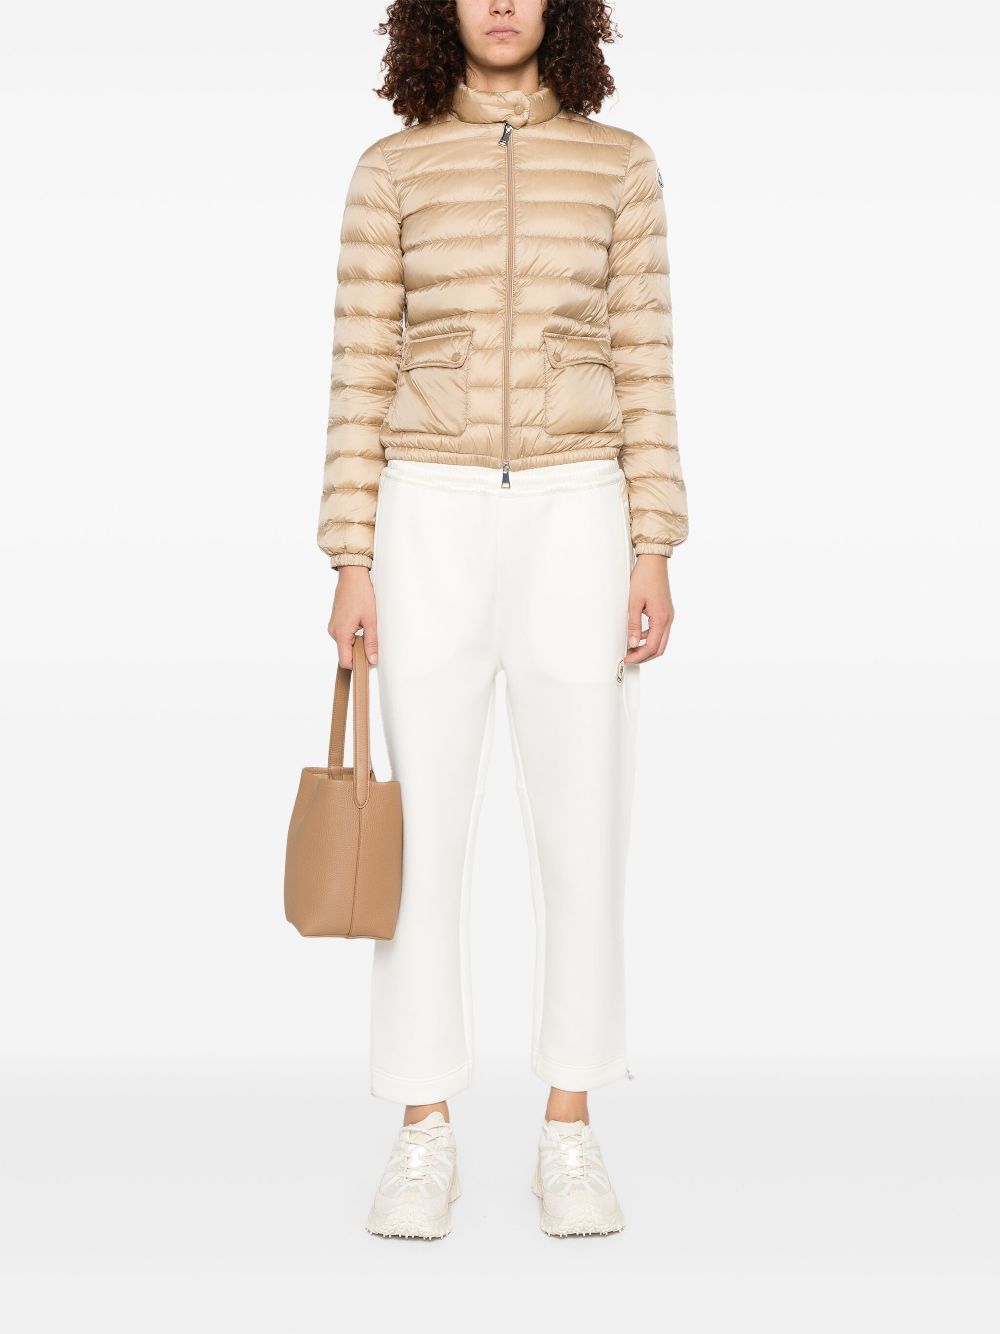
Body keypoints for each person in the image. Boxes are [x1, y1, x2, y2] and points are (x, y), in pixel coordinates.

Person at [318, 0, 688, 1239]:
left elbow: (646, 359)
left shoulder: (620, 164)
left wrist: (653, 539)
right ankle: (422, 1126)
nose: (499, 1)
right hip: (424, 509)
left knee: (585, 829)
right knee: (417, 839)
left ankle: (568, 1124)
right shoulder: (392, 168)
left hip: (579, 510)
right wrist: (351, 553)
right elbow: (359, 367)